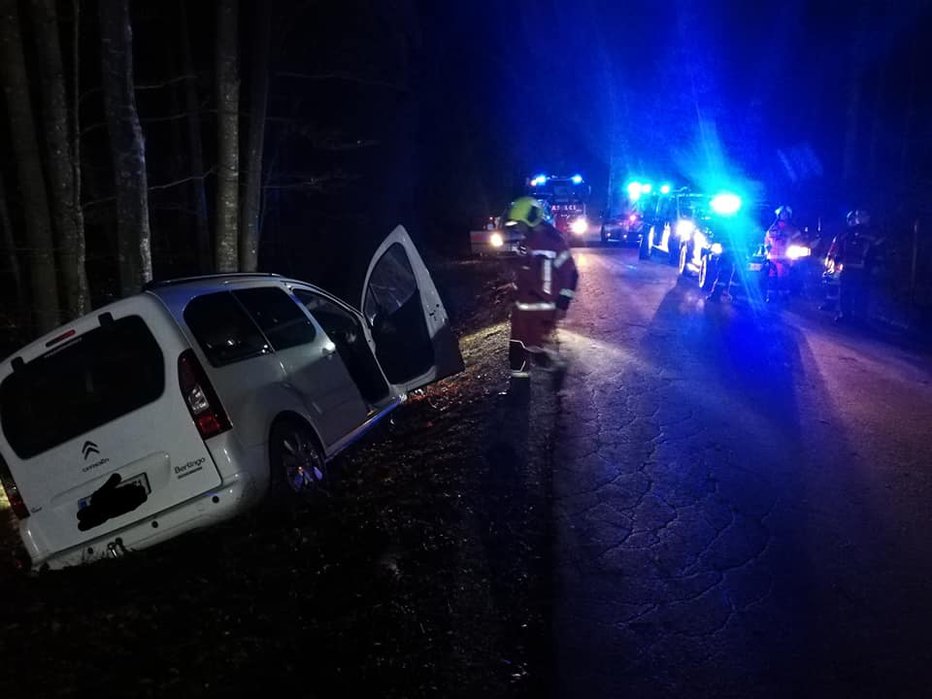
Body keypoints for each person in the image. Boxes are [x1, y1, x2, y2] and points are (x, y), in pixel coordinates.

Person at [505, 196, 579, 395]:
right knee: (517, 349)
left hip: (542, 310)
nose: (517, 228)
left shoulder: (554, 242)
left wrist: (563, 304)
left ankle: (557, 368)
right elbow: (524, 274)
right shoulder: (526, 243)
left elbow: (571, 274)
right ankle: (519, 390)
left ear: (529, 220)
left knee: (537, 351)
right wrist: (513, 292)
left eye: (519, 223)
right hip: (523, 309)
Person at [827, 209, 880, 324]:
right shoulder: (848, 233)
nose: (859, 218)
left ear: (868, 217)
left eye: (862, 215)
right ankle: (845, 315)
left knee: (861, 293)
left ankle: (860, 318)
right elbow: (840, 248)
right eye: (858, 216)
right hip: (848, 267)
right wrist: (836, 261)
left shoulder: (872, 233)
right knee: (845, 292)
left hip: (863, 269)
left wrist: (875, 265)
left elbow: (876, 251)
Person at [763, 205, 801, 303]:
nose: (784, 216)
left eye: (785, 214)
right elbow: (767, 241)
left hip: (785, 258)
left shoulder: (792, 229)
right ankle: (770, 297)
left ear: (789, 215)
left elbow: (799, 241)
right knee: (772, 278)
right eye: (782, 214)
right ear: (778, 215)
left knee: (783, 278)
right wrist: (767, 251)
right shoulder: (772, 228)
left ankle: (783, 297)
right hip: (773, 258)